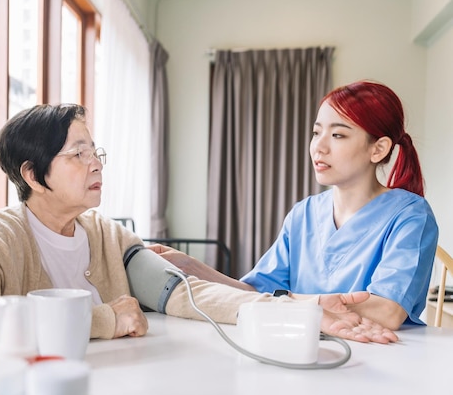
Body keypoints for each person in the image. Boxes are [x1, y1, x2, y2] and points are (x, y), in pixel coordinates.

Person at [0, 103, 397, 344]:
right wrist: (102, 319)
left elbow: (184, 293)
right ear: (33, 175)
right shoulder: (0, 234)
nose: (95, 164)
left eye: (95, 151)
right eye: (77, 154)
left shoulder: (106, 234)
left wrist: (299, 311)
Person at [149, 80, 438, 331]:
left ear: (379, 149)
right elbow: (254, 292)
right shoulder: (304, 214)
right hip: (301, 347)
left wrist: (290, 303)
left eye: (337, 135)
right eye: (316, 132)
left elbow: (387, 311)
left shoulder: (410, 215)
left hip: (384, 358)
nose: (318, 147)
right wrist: (188, 265)